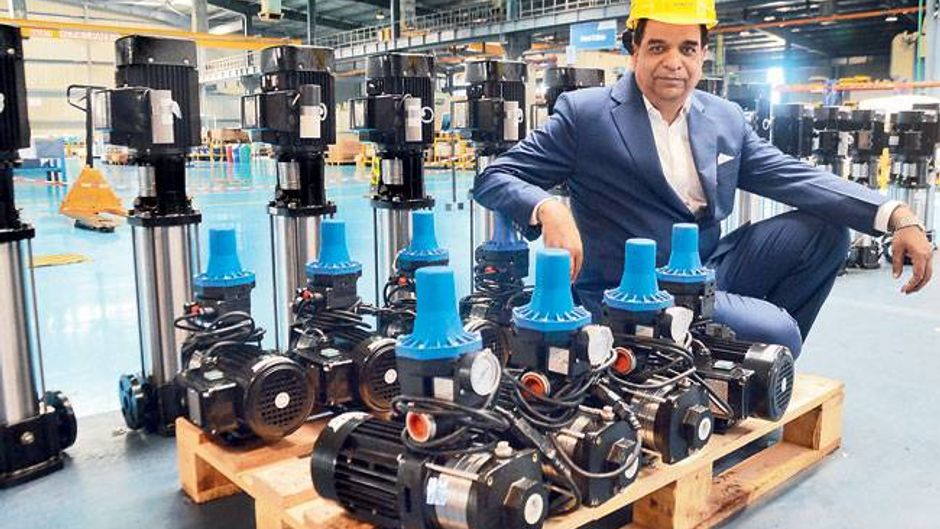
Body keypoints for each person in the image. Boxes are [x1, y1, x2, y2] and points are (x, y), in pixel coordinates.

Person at [473, 0, 934, 357]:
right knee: (775, 333)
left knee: (824, 234)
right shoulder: (587, 115)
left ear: (703, 54)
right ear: (634, 50)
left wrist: (895, 215)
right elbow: (496, 176)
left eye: (687, 48)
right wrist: (547, 209)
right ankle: (745, 357)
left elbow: (794, 177)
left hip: (708, 270)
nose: (674, 62)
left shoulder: (724, 118)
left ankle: (738, 365)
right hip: (631, 290)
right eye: (658, 47)